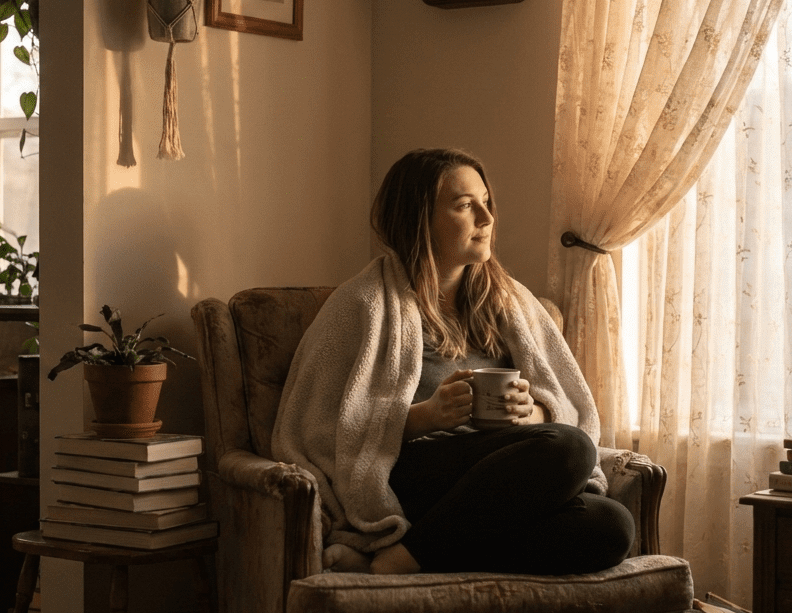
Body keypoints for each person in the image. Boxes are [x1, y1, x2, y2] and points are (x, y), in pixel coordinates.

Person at [272, 147, 635, 576]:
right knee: (568, 449)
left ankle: (407, 556)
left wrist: (533, 412)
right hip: (416, 472)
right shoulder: (362, 304)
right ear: (417, 219)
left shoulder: (512, 302)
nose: (486, 218)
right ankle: (406, 559)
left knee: (610, 526)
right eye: (465, 205)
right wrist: (424, 417)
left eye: (486, 203)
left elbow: (563, 402)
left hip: (496, 479)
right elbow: (319, 428)